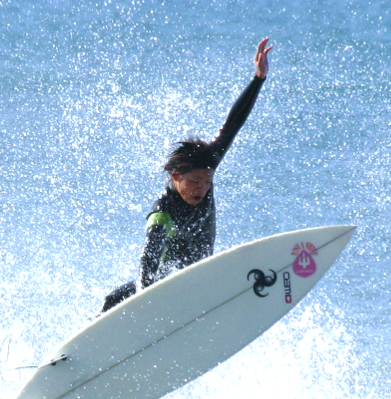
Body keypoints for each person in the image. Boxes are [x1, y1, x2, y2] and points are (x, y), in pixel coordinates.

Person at [100, 37, 272, 313]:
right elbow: (149, 260)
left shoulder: (207, 164)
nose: (201, 190)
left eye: (206, 183)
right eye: (193, 183)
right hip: (168, 283)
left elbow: (233, 123)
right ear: (176, 176)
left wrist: (258, 78)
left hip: (202, 276)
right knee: (115, 298)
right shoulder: (163, 212)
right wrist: (144, 298)